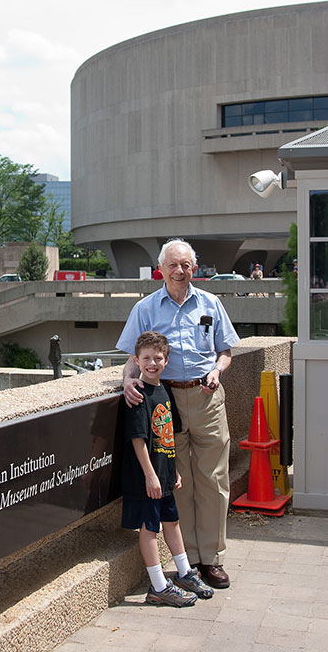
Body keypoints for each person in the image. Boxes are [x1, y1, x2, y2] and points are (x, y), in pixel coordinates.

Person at [116, 238, 240, 589]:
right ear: (162, 268)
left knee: (213, 480)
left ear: (194, 268)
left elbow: (226, 351)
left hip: (207, 398)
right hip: (165, 402)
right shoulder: (146, 308)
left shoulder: (211, 303)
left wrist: (218, 370)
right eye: (173, 264)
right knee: (176, 481)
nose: (179, 270)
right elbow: (131, 357)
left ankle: (210, 558)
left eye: (185, 264)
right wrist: (127, 382)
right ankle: (186, 560)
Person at [121, 331, 213, 607]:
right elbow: (138, 440)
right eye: (146, 358)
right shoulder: (138, 396)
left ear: (166, 360)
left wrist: (173, 471)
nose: (152, 363)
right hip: (146, 478)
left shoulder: (165, 391)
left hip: (165, 474)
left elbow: (169, 435)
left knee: (172, 521)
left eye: (157, 358)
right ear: (136, 360)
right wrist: (150, 475)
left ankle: (184, 572)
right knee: (149, 528)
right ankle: (158, 586)